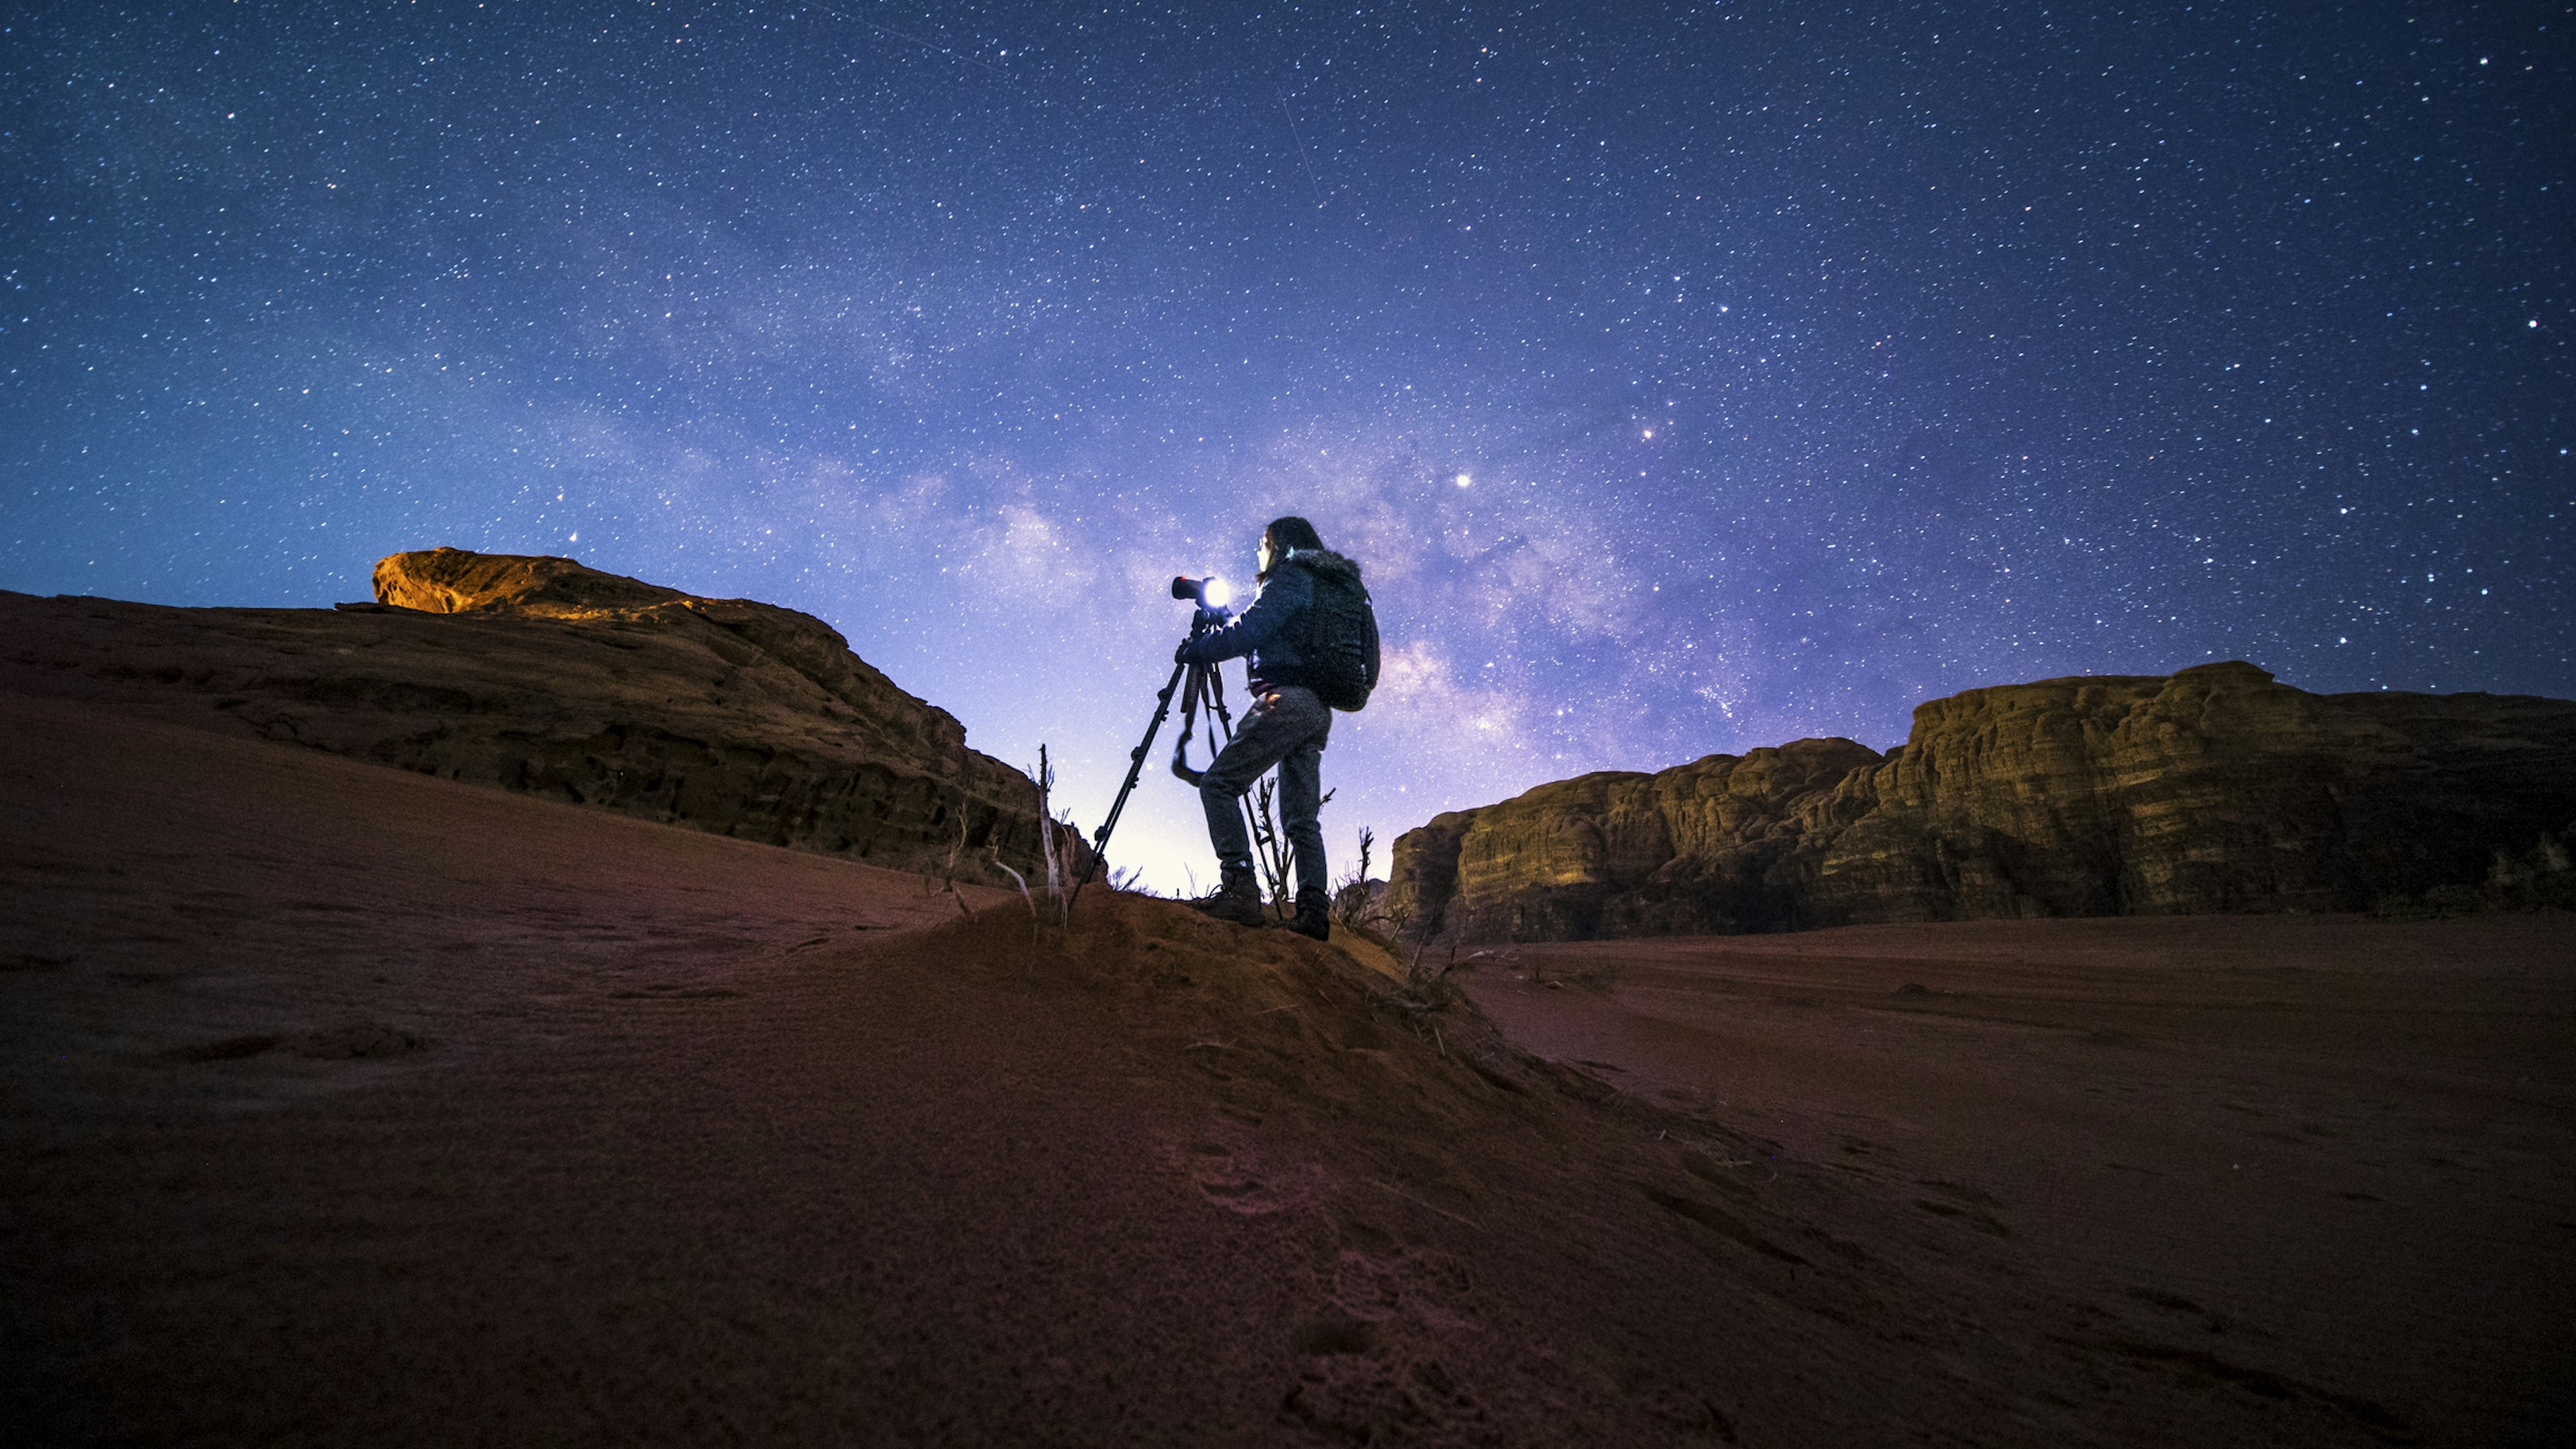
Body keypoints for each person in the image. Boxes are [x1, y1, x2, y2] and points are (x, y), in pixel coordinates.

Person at [1175, 515, 1357, 940]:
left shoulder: (1290, 577)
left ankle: (1239, 891)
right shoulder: (1323, 586)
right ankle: (1313, 914)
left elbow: (1249, 634)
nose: (1259, 548)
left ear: (1279, 543)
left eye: (1263, 541)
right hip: (1316, 709)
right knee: (1301, 820)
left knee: (1218, 785)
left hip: (1285, 702)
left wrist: (1198, 649)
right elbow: (1269, 641)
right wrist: (1228, 624)